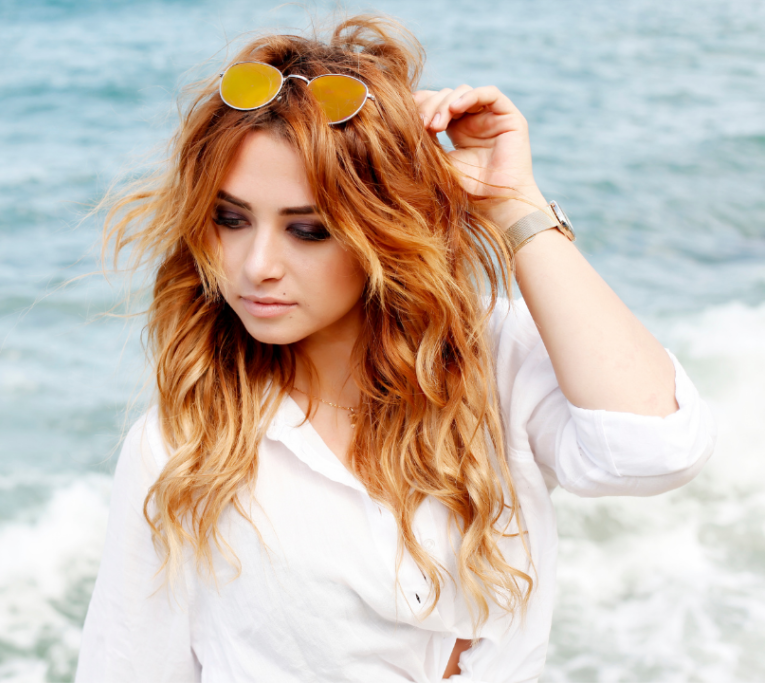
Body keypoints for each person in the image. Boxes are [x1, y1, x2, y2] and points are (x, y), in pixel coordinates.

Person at [74, 15, 715, 683]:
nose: (256, 264)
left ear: (381, 228)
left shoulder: (492, 361)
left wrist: (513, 204)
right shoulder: (180, 448)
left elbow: (657, 448)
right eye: (231, 219)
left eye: (309, 230)